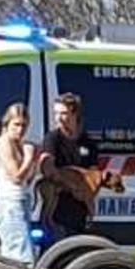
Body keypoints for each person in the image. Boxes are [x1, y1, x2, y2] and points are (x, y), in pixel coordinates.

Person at [39, 93, 100, 239]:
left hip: (80, 209)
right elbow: (48, 168)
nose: (58, 118)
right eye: (56, 113)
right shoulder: (52, 139)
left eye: (64, 113)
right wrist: (71, 186)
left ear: (75, 114)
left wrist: (89, 198)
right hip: (58, 208)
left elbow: (93, 175)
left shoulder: (88, 143)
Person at [0, 103, 38, 264]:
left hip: (21, 200)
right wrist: (29, 157)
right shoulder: (4, 144)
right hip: (10, 204)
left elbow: (27, 180)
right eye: (16, 124)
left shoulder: (20, 145)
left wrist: (33, 162)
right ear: (7, 124)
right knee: (23, 256)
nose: (20, 129)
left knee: (15, 255)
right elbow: (16, 178)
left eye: (24, 125)